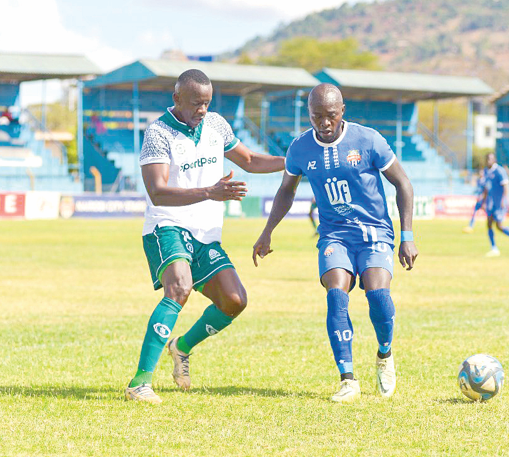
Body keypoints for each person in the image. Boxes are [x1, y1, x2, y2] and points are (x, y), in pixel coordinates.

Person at [125, 69, 285, 404]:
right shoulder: (158, 132)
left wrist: (293, 162)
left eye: (207, 102)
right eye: (196, 102)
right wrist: (210, 192)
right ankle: (140, 383)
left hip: (205, 233)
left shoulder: (216, 125)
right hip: (167, 225)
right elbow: (157, 191)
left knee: (234, 301)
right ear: (177, 99)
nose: (202, 109)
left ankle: (181, 347)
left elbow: (251, 160)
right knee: (179, 288)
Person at [252, 83, 418, 403]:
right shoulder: (300, 148)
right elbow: (286, 190)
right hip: (334, 234)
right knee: (336, 293)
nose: (324, 123)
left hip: (374, 232)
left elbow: (403, 183)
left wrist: (407, 236)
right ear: (309, 115)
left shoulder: (368, 140)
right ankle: (348, 379)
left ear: (342, 111)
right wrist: (267, 231)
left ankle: (384, 355)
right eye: (317, 116)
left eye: (330, 115)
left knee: (378, 293)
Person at [483, 153, 509, 257]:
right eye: (487, 159)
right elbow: (487, 188)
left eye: (490, 159)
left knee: (499, 226)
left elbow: (505, 186)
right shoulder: (486, 171)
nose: (488, 161)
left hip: (499, 203)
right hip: (491, 203)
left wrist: (504, 200)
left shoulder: (499, 171)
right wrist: (484, 201)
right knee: (489, 224)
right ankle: (494, 248)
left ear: (494, 160)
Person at [462, 168, 487, 234]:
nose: (481, 173)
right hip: (479, 200)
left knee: (488, 213)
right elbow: (478, 189)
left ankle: (492, 225)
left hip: (484, 200)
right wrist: (474, 192)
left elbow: (486, 191)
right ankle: (470, 226)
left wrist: (482, 197)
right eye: (480, 172)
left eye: (482, 172)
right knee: (474, 212)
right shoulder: (479, 181)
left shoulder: (485, 181)